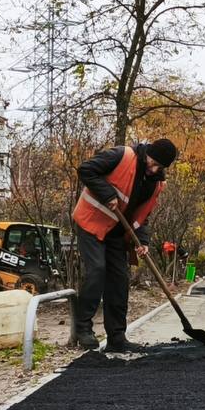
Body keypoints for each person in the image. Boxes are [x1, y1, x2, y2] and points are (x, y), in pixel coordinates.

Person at [71, 137, 179, 352]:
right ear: (148, 153)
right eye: (153, 162)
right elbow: (85, 170)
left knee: (119, 281)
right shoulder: (122, 155)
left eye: (159, 167)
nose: (154, 169)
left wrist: (144, 241)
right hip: (91, 223)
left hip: (117, 234)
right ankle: (83, 329)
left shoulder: (156, 183)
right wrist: (107, 194)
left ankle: (117, 338)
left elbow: (143, 216)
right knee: (97, 270)